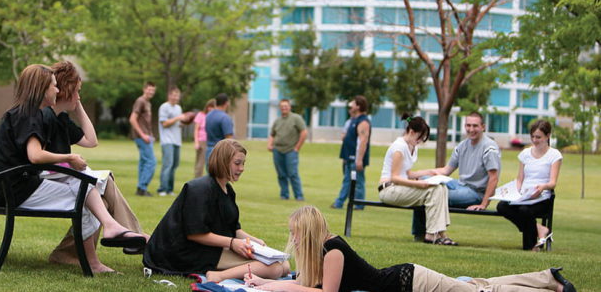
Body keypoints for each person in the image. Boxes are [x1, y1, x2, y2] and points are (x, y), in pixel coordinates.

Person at [0, 64, 146, 273]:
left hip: (9, 186)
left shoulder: (22, 113)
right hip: (14, 190)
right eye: (53, 86)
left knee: (84, 186)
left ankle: (109, 230)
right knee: (83, 192)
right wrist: (70, 157)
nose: (57, 91)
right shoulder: (31, 116)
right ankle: (96, 255)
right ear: (41, 89)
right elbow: (35, 155)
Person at [244, 205, 576, 292]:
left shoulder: (333, 250)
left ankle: (551, 282)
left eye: (296, 234)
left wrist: (273, 283)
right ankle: (548, 279)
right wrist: (266, 282)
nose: (295, 240)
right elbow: (304, 282)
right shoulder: (324, 251)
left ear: (309, 231)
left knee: (479, 291)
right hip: (408, 280)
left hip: (413, 282)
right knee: (478, 285)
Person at [143, 139, 290, 282]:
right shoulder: (199, 189)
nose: (242, 168)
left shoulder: (228, 190)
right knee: (275, 269)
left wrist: (256, 242)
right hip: (185, 252)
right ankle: (217, 276)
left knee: (285, 266)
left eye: (243, 163)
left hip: (211, 247)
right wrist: (232, 243)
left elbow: (234, 229)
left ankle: (223, 271)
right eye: (237, 163)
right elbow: (195, 234)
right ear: (223, 162)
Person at [411, 112, 501, 241]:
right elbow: (446, 170)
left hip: (475, 192)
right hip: (459, 185)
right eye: (468, 125)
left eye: (475, 126)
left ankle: (426, 234)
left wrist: (484, 204)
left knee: (431, 193)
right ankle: (420, 233)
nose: (471, 129)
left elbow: (494, 178)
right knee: (423, 183)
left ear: (483, 127)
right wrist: (417, 174)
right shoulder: (462, 145)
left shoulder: (489, 148)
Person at [377, 114, 457, 245]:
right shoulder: (399, 147)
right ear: (411, 131)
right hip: (389, 189)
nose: (420, 141)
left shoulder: (412, 146)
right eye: (419, 137)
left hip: (399, 187)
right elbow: (395, 177)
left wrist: (430, 172)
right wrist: (419, 184)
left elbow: (407, 172)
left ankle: (440, 233)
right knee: (434, 191)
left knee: (441, 187)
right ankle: (432, 234)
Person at [497, 120, 562, 251]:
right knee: (502, 206)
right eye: (532, 137)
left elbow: (552, 182)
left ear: (548, 136)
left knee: (524, 211)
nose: (535, 140)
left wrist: (542, 187)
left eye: (538, 137)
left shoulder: (554, 155)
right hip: (524, 196)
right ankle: (539, 229)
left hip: (542, 197)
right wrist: (514, 191)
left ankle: (531, 247)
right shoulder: (525, 154)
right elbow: (520, 179)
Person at [331, 96, 371, 210]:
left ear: (358, 106)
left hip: (356, 159)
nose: (350, 106)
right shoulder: (353, 120)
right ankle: (340, 202)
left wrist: (359, 160)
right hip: (348, 157)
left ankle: (358, 204)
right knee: (347, 181)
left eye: (352, 104)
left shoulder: (363, 121)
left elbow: (363, 141)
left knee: (358, 182)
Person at [267, 99, 308, 201]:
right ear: (279, 108)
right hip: (277, 150)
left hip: (291, 150)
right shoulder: (277, 121)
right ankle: (284, 195)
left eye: (286, 106)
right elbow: (272, 134)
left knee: (293, 173)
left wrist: (297, 147)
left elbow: (304, 132)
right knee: (281, 174)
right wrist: (269, 144)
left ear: (290, 107)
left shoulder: (296, 118)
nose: (284, 108)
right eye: (282, 106)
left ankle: (299, 195)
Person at [157, 87, 187, 196]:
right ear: (169, 95)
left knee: (174, 165)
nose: (175, 97)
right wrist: (178, 118)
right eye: (173, 95)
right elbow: (164, 123)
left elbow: (177, 124)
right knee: (167, 164)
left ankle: (169, 189)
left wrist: (184, 122)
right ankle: (162, 189)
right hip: (167, 140)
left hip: (177, 141)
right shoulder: (164, 107)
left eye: (177, 95)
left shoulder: (178, 108)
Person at [130, 81, 157, 196]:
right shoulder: (140, 101)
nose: (151, 92)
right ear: (144, 89)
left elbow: (145, 121)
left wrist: (150, 134)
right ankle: (142, 187)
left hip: (146, 136)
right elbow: (132, 119)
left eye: (153, 90)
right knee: (151, 162)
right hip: (141, 137)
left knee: (144, 162)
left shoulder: (147, 103)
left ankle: (140, 189)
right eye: (149, 89)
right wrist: (143, 135)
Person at [205, 93, 234, 166]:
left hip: (208, 150)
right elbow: (229, 139)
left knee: (210, 176)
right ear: (226, 103)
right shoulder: (225, 117)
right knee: (221, 176)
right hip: (220, 152)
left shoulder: (208, 115)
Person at [193, 99, 216, 178]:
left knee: (210, 164)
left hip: (211, 142)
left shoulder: (215, 117)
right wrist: (196, 142)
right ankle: (197, 181)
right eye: (210, 107)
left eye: (213, 107)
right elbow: (196, 129)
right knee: (200, 163)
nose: (211, 109)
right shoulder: (201, 115)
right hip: (202, 141)